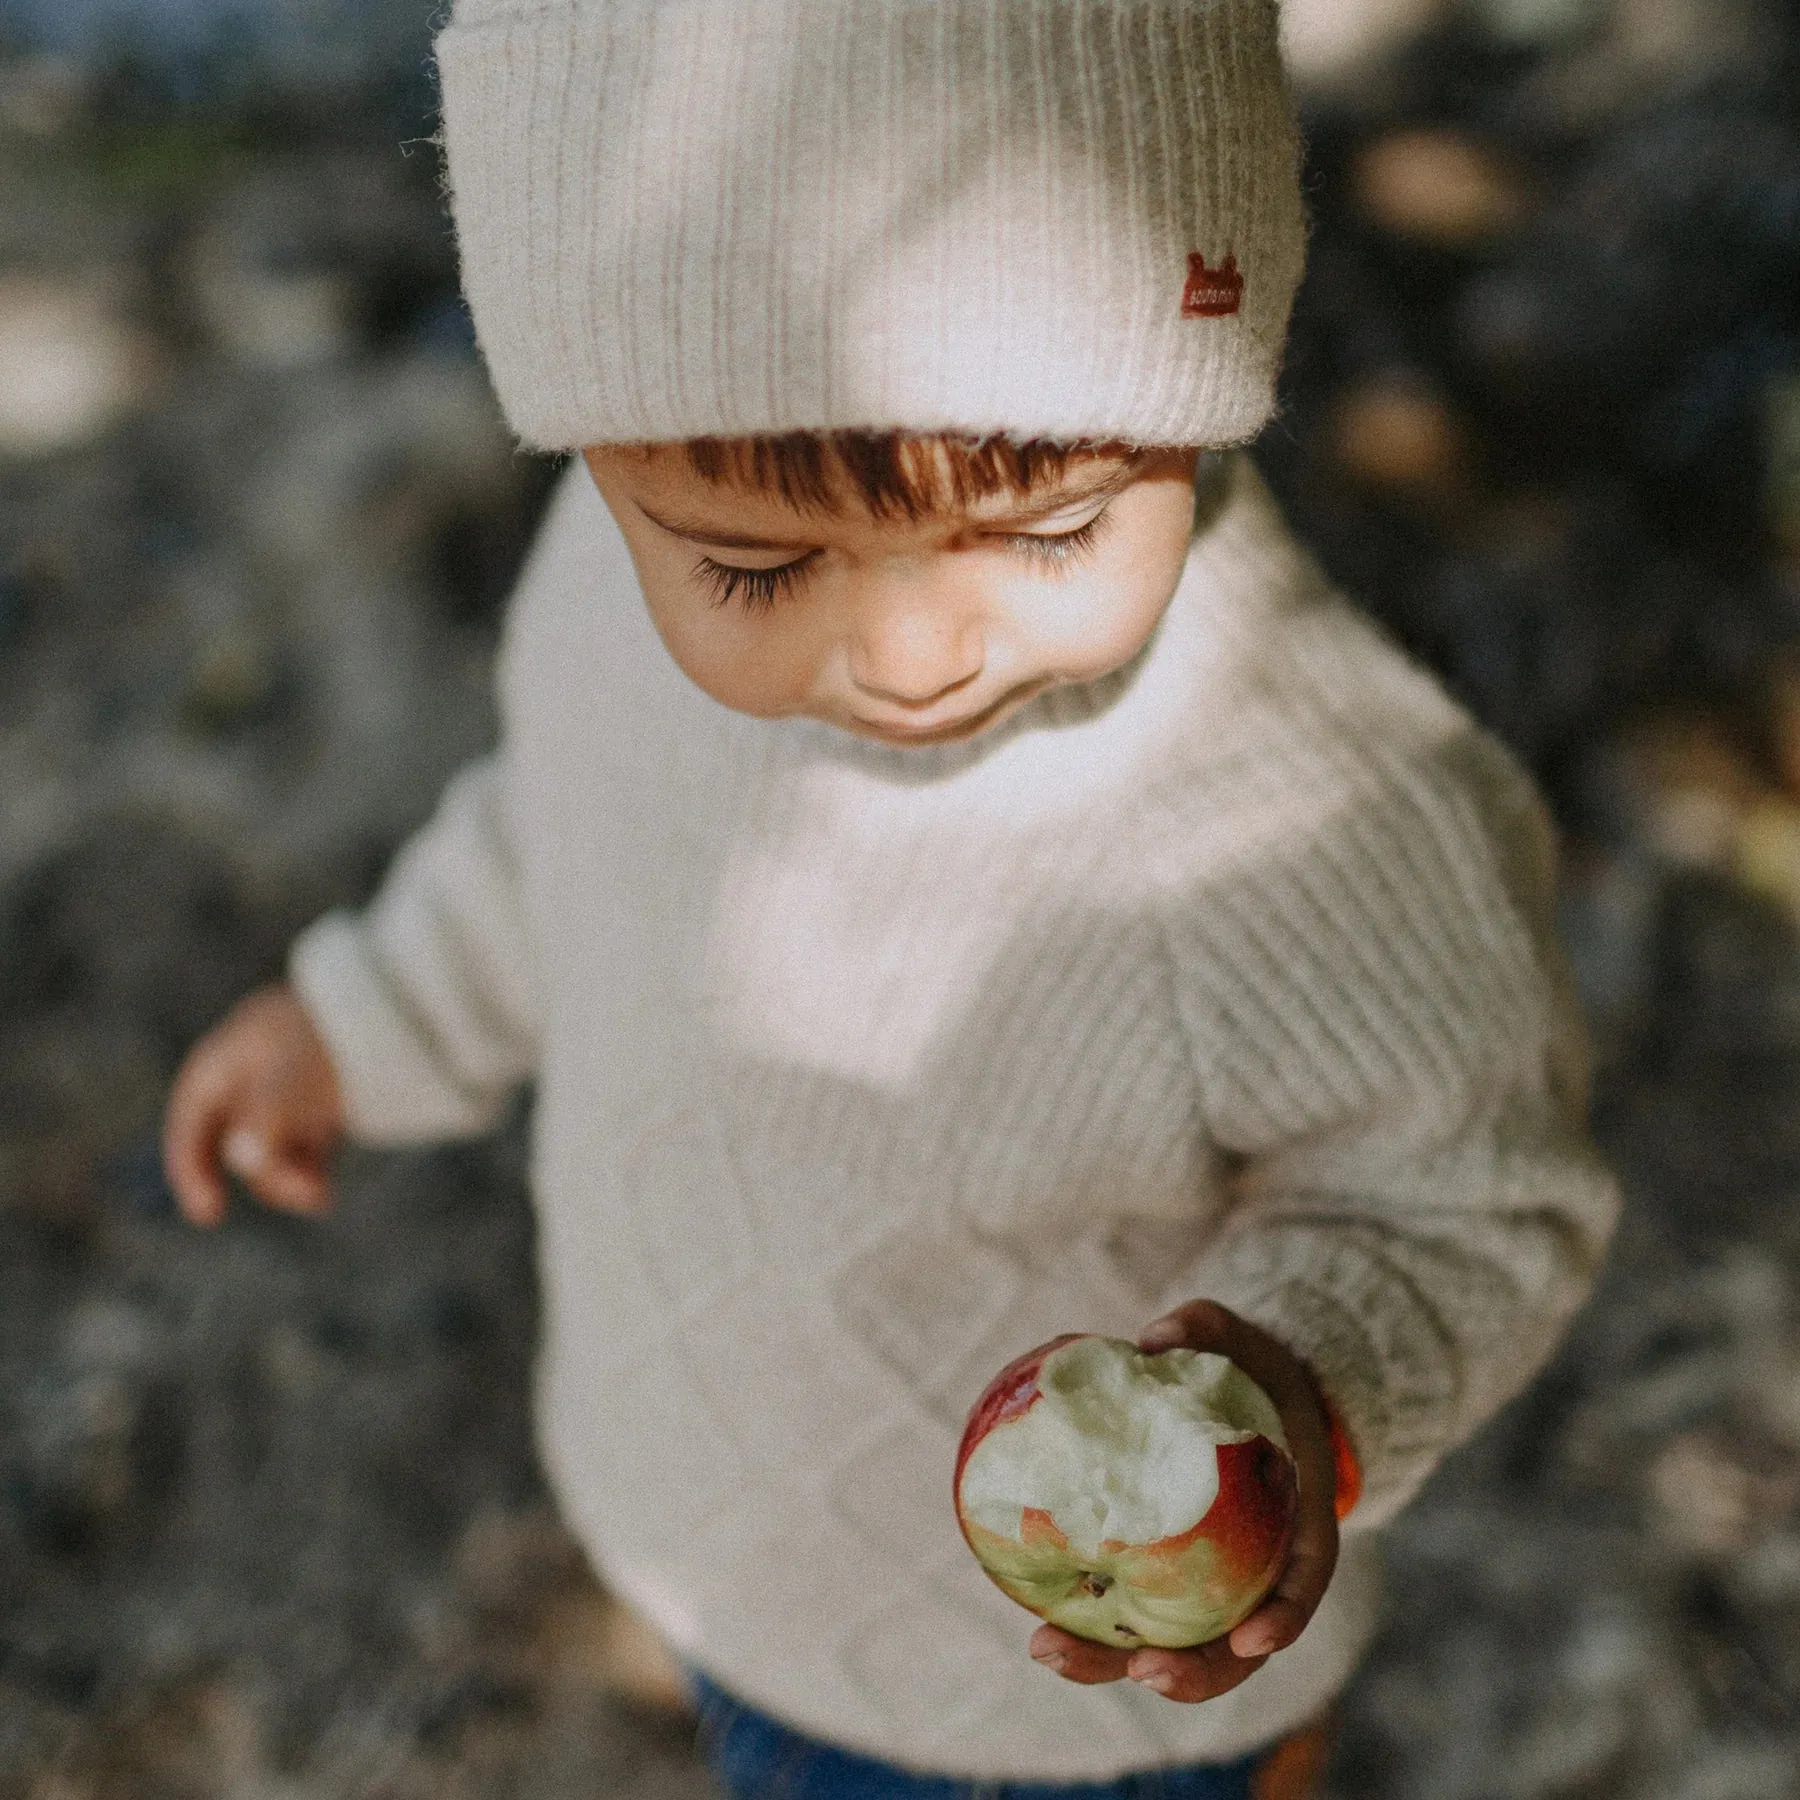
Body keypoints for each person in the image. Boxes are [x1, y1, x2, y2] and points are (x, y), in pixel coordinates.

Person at [161, 2, 1619, 1796]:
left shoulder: (1301, 813)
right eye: (760, 568)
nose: (915, 647)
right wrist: (366, 1016)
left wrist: (1298, 1393)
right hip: (715, 1536)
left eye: (1050, 526)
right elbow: (563, 829)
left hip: (1066, 1713)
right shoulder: (609, 586)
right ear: (603, 467)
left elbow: (1472, 1205)